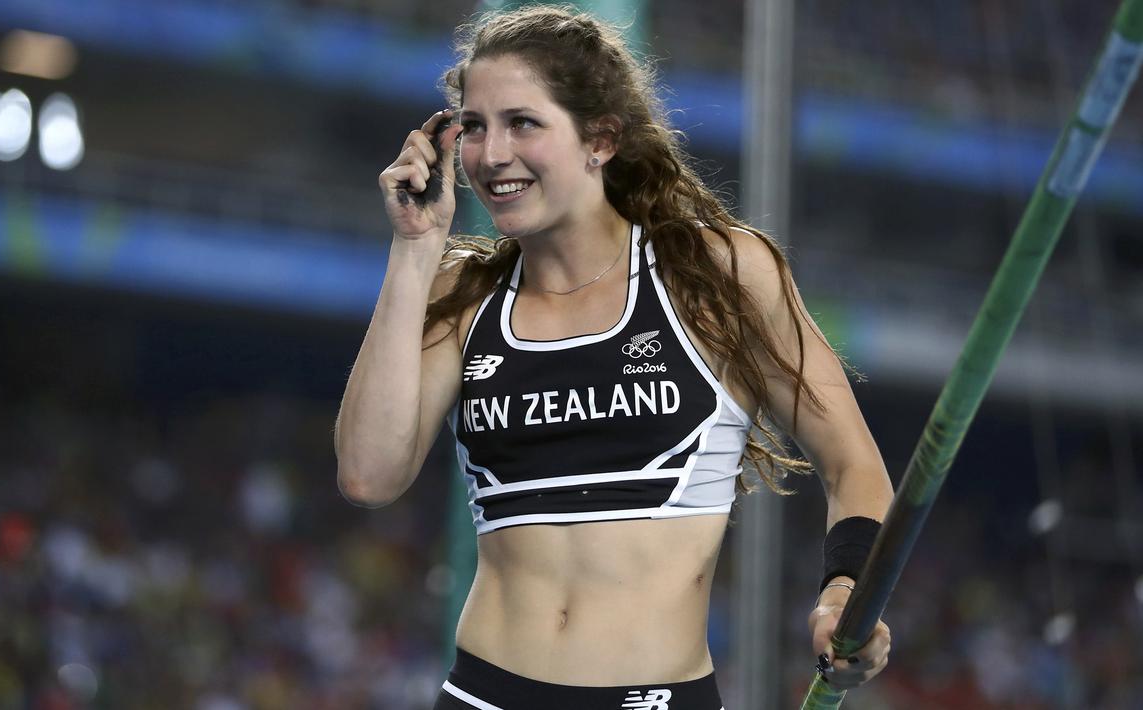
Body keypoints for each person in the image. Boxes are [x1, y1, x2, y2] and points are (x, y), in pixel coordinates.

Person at [335, 6, 894, 708]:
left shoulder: (714, 273)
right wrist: (413, 251)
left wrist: (843, 594)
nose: (491, 154)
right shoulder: (460, 292)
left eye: (522, 123)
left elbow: (854, 466)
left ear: (599, 140)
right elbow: (367, 474)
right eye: (474, 126)